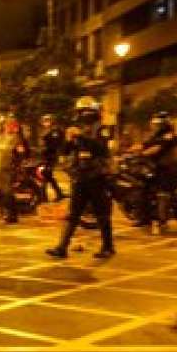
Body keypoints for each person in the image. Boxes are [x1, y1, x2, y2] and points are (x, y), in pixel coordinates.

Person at [46, 97, 115, 259]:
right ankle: (62, 247)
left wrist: (80, 137)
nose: (81, 116)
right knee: (73, 213)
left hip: (98, 176)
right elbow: (65, 151)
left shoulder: (102, 129)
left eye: (83, 112)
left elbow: (101, 149)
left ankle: (108, 246)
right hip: (81, 176)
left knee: (101, 213)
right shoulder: (79, 129)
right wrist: (68, 140)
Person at [139, 111, 177, 234]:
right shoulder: (158, 134)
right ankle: (144, 218)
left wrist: (142, 153)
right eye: (154, 124)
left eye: (157, 124)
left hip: (168, 168)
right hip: (158, 166)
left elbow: (156, 148)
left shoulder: (169, 135)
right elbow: (146, 144)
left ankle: (162, 222)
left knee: (161, 193)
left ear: (164, 124)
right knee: (145, 186)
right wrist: (129, 151)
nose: (155, 126)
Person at [40, 114, 65, 202]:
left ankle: (43, 197)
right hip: (46, 156)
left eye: (48, 121)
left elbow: (55, 144)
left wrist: (59, 154)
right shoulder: (46, 130)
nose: (46, 123)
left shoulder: (55, 131)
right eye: (44, 121)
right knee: (48, 176)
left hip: (51, 156)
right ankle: (59, 193)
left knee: (45, 175)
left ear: (52, 121)